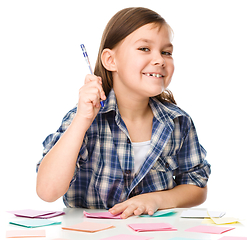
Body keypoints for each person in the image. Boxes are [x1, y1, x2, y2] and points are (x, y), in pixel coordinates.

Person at [36, 7, 211, 219]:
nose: (160, 60)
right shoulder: (83, 118)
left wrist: (155, 199)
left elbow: (197, 186)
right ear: (110, 60)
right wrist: (82, 120)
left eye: (166, 52)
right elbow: (47, 191)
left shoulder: (178, 122)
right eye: (145, 48)